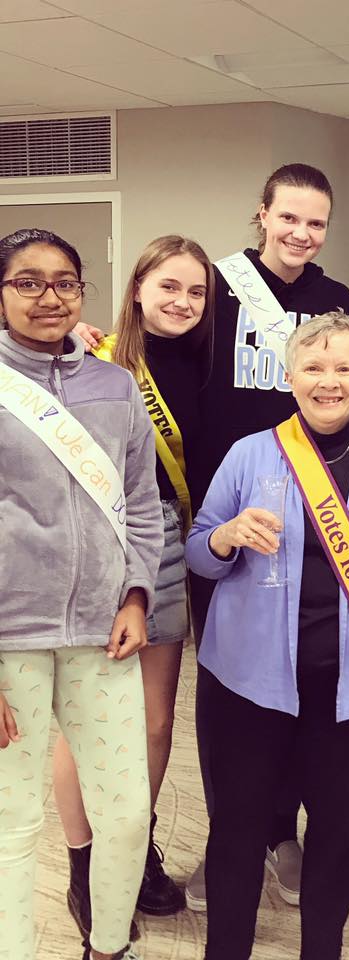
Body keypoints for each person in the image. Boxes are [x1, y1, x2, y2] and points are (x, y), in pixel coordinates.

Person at [73, 162, 349, 910]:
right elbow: (157, 353)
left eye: (316, 221)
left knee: (299, 679)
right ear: (261, 213)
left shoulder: (336, 300)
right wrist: (86, 340)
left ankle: (279, 834)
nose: (301, 232)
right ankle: (229, 835)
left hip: (308, 518)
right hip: (209, 518)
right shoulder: (220, 287)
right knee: (227, 692)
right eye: (288, 216)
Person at [185, 311, 349, 960]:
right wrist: (224, 537)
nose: (329, 381)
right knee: (237, 833)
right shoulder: (249, 454)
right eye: (314, 367)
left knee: (335, 834)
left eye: (343, 367)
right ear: (289, 376)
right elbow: (198, 552)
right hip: (244, 686)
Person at [0, 228, 163, 960]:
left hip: (104, 631)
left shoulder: (115, 385)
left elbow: (142, 500)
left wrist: (135, 594)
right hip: (11, 641)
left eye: (65, 282)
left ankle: (109, 947)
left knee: (127, 816)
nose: (49, 297)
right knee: (12, 822)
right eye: (28, 282)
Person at [50, 236, 214, 938]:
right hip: (106, 549)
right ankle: (84, 866)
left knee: (151, 722)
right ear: (138, 288)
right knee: (87, 720)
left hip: (180, 544)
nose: (181, 301)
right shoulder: (95, 360)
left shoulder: (217, 364)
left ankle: (133, 850)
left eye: (196, 292)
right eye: (168, 286)